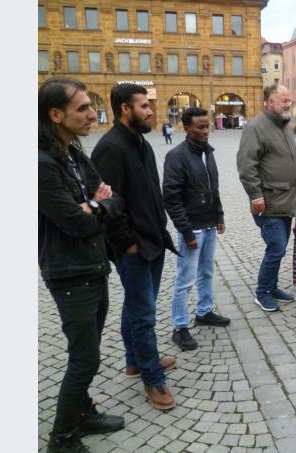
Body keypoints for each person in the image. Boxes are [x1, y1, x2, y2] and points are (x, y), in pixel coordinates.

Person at [38, 77, 125, 453]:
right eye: (83, 109)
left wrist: (96, 204)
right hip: (68, 272)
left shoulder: (73, 153)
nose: (93, 114)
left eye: (92, 107)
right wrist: (94, 206)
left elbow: (113, 199)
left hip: (94, 265)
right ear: (56, 115)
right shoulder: (41, 164)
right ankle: (62, 438)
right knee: (85, 357)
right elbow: (75, 223)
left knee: (87, 352)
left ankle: (83, 412)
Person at [91, 83, 178, 411]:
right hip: (134, 246)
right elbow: (108, 202)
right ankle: (152, 378)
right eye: (143, 106)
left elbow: (146, 193)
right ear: (125, 108)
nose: (150, 111)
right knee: (143, 313)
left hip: (152, 240)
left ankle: (135, 360)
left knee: (138, 305)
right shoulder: (110, 148)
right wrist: (126, 243)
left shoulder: (140, 142)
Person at [163, 107, 231, 352]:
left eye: (207, 126)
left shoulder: (208, 153)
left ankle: (204, 311)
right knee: (185, 279)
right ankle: (179, 327)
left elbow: (214, 188)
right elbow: (171, 198)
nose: (205, 130)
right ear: (186, 128)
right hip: (193, 227)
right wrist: (187, 231)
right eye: (200, 127)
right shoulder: (177, 156)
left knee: (206, 273)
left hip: (210, 224)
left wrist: (219, 215)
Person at [237, 83, 296, 312]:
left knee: (280, 246)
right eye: (284, 100)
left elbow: (290, 162)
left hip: (287, 199)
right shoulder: (255, 128)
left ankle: (273, 286)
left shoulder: (285, 126)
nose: (289, 104)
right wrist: (255, 196)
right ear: (270, 102)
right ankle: (262, 292)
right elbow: (247, 166)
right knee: (276, 247)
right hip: (268, 202)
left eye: (289, 100)